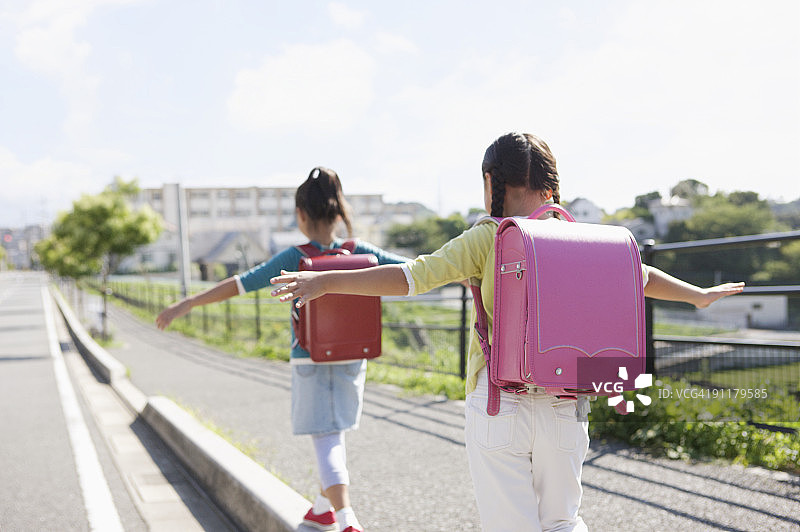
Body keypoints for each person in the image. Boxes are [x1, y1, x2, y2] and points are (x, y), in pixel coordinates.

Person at [269, 133, 745, 531]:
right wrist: (698, 295)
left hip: (500, 403)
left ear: (492, 181)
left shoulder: (489, 236)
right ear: (550, 183)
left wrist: (324, 280)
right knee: (563, 522)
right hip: (567, 403)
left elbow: (411, 276)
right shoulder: (586, 238)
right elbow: (639, 275)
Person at [156, 167, 409, 532]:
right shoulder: (361, 252)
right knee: (333, 432)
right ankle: (322, 510)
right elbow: (414, 271)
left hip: (309, 358)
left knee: (326, 437)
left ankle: (346, 519)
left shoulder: (295, 257)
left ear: (301, 215)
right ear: (339, 213)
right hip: (355, 356)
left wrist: (189, 303)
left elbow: (241, 284)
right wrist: (464, 275)